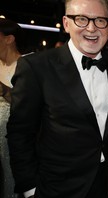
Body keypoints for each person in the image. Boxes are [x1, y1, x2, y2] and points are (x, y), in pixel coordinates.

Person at [6, 0, 108, 197]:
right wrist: (30, 189)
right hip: (57, 188)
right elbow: (19, 134)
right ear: (66, 23)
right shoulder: (36, 67)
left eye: (100, 20)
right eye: (81, 19)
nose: (91, 28)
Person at [0, 17, 24, 198]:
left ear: (9, 39)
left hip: (11, 138)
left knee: (9, 177)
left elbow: (26, 105)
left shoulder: (26, 66)